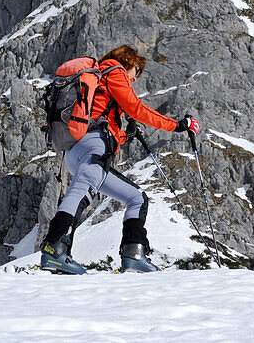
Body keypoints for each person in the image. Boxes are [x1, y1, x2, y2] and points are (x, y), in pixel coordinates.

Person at [40, 44, 199, 274]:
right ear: (130, 63)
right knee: (81, 190)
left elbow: (98, 119)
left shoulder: (98, 80)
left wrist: (125, 135)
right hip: (94, 145)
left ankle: (134, 256)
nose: (134, 79)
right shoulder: (114, 70)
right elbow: (136, 108)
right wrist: (177, 126)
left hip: (78, 150)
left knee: (136, 198)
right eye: (136, 72)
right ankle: (54, 249)